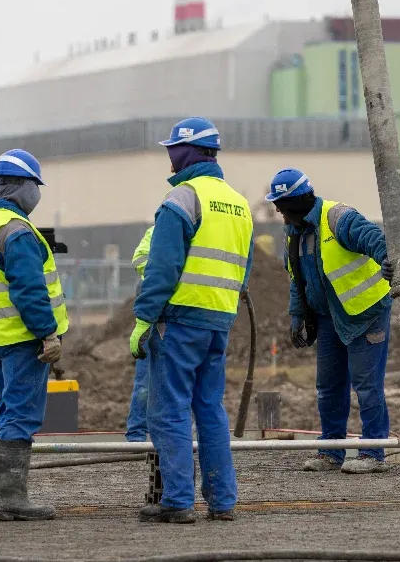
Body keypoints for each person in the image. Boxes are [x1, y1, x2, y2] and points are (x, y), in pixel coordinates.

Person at [130, 117, 254, 524]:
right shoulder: (238, 204)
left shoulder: (182, 199)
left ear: (185, 153)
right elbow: (243, 269)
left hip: (178, 321)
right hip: (218, 320)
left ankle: (178, 502)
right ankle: (223, 502)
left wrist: (144, 319)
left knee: (168, 412)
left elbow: (162, 269)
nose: (169, 158)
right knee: (210, 410)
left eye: (172, 151)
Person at [266, 168, 395, 475]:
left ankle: (373, 452)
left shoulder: (337, 217)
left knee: (367, 386)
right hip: (328, 319)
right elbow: (297, 281)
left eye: (280, 205)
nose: (277, 212)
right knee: (329, 386)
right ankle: (331, 451)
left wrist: (389, 260)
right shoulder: (293, 235)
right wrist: (297, 317)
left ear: (295, 202)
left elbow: (374, 238)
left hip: (366, 314)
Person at [0, 149, 67, 521]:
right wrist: (48, 334)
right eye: (35, 186)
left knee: (6, 414)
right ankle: (12, 500)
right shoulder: (18, 230)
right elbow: (29, 290)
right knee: (21, 416)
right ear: (21, 186)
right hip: (25, 340)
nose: (37, 194)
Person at [125, 226, 154, 442]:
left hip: (181, 316)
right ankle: (136, 434)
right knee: (145, 382)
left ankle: (175, 437)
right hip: (158, 317)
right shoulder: (159, 231)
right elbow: (140, 259)